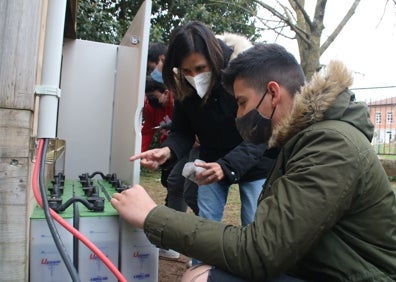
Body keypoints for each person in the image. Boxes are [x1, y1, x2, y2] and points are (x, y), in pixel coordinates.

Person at [111, 43, 396, 281]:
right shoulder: (311, 139)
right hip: (326, 269)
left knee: (200, 278)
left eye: (243, 102)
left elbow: (260, 252)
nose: (238, 115)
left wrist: (153, 216)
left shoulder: (330, 145)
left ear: (273, 93)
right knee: (203, 273)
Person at [131, 21, 275, 230]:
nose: (194, 77)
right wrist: (168, 150)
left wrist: (226, 166)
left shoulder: (245, 74)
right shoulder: (183, 84)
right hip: (210, 160)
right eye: (186, 71)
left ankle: (252, 263)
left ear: (214, 58)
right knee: (205, 225)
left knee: (254, 223)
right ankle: (203, 263)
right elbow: (182, 130)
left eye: (200, 68)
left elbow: (261, 132)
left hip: (257, 162)